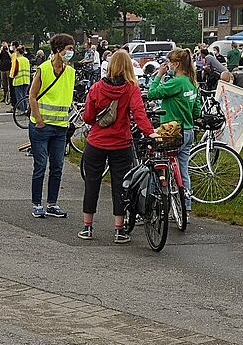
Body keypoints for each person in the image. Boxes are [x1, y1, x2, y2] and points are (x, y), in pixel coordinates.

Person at [80, 49, 157, 244]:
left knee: (92, 183)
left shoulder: (96, 87)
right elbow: (139, 114)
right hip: (121, 143)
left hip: (96, 142)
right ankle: (119, 230)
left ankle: (87, 227)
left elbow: (88, 117)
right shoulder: (131, 88)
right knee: (120, 186)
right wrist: (151, 133)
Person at [28, 33, 77, 219]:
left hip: (60, 127)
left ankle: (52, 204)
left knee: (57, 167)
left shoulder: (70, 72)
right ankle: (37, 204)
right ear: (58, 49)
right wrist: (39, 120)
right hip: (41, 127)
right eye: (69, 49)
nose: (71, 52)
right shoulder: (44, 69)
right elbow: (32, 96)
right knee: (40, 165)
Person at [145, 48, 202, 203]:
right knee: (183, 170)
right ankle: (186, 205)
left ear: (176, 64)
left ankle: (156, 199)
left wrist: (159, 75)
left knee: (158, 162)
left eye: (170, 62)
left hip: (171, 131)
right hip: (188, 130)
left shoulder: (176, 82)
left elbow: (152, 93)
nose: (168, 65)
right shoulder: (192, 82)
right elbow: (197, 111)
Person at [10, 43, 32, 113]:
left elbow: (14, 70)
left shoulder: (17, 60)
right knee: (24, 96)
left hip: (18, 80)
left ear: (18, 52)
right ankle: (25, 109)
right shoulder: (26, 60)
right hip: (26, 80)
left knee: (19, 96)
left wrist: (11, 77)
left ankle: (22, 110)